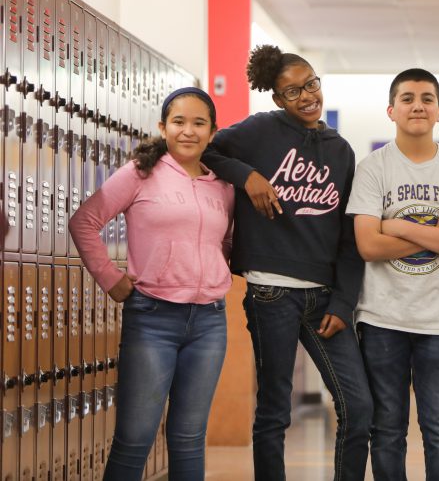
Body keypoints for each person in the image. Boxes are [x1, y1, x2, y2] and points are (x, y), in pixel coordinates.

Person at [201, 45, 371, 481]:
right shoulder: (259, 131)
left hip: (324, 298)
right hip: (270, 292)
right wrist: (248, 176)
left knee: (357, 404)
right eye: (292, 91)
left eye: (311, 83)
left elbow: (349, 232)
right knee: (275, 409)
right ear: (277, 99)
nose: (307, 95)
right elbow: (208, 151)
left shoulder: (341, 150)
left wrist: (344, 301)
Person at [69, 87, 234, 480]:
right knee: (136, 436)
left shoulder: (222, 187)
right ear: (163, 127)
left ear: (213, 132)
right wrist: (110, 278)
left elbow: (226, 243)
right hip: (153, 319)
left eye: (199, 123)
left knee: (189, 437)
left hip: (210, 322)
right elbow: (84, 222)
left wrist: (210, 272)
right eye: (179, 122)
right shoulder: (139, 174)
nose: (188, 131)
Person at [346, 68, 439, 481]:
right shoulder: (372, 168)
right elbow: (368, 245)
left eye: (426, 98)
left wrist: (399, 226)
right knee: (386, 431)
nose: (417, 105)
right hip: (382, 319)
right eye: (407, 98)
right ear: (391, 110)